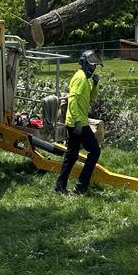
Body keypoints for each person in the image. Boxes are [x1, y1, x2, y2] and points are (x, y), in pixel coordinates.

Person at [54, 49, 103, 195]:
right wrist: (77, 123)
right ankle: (81, 187)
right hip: (78, 122)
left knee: (72, 154)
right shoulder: (80, 78)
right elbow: (72, 99)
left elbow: (91, 98)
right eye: (91, 65)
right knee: (94, 151)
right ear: (83, 63)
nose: (93, 68)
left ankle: (60, 186)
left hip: (77, 121)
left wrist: (95, 85)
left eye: (95, 66)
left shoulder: (85, 80)